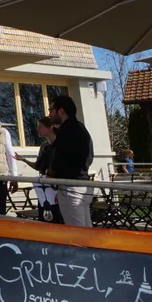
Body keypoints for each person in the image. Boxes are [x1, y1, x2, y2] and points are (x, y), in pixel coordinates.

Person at [47, 94, 95, 227]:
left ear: (61, 111)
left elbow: (60, 158)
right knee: (86, 231)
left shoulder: (66, 130)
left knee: (77, 235)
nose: (49, 114)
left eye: (51, 110)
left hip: (71, 188)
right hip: (84, 185)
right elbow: (88, 156)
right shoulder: (81, 128)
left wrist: (51, 174)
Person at [21, 115, 63, 224]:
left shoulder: (61, 145)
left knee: (58, 218)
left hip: (57, 187)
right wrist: (24, 160)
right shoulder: (44, 147)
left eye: (40, 126)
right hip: (44, 189)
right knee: (45, 216)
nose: (38, 129)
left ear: (50, 128)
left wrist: (60, 190)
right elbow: (38, 166)